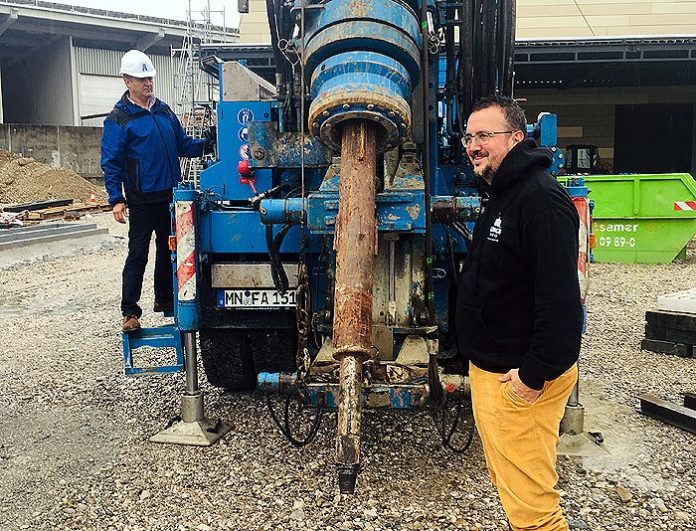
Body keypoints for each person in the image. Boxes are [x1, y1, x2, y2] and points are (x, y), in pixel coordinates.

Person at [456, 94, 583, 531]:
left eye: (484, 135)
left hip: (520, 380)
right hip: (496, 371)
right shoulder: (504, 193)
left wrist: (533, 377)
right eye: (469, 136)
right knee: (515, 491)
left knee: (534, 511)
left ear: (516, 137)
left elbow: (562, 305)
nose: (473, 144)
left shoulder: (541, 202)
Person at [101, 49, 213, 332]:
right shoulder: (119, 120)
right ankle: (130, 312)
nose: (148, 83)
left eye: (149, 78)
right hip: (141, 199)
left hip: (170, 196)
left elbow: (183, 144)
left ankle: (164, 299)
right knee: (138, 253)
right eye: (141, 79)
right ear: (127, 81)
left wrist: (207, 143)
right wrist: (116, 199)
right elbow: (111, 162)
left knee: (169, 250)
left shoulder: (163, 111)